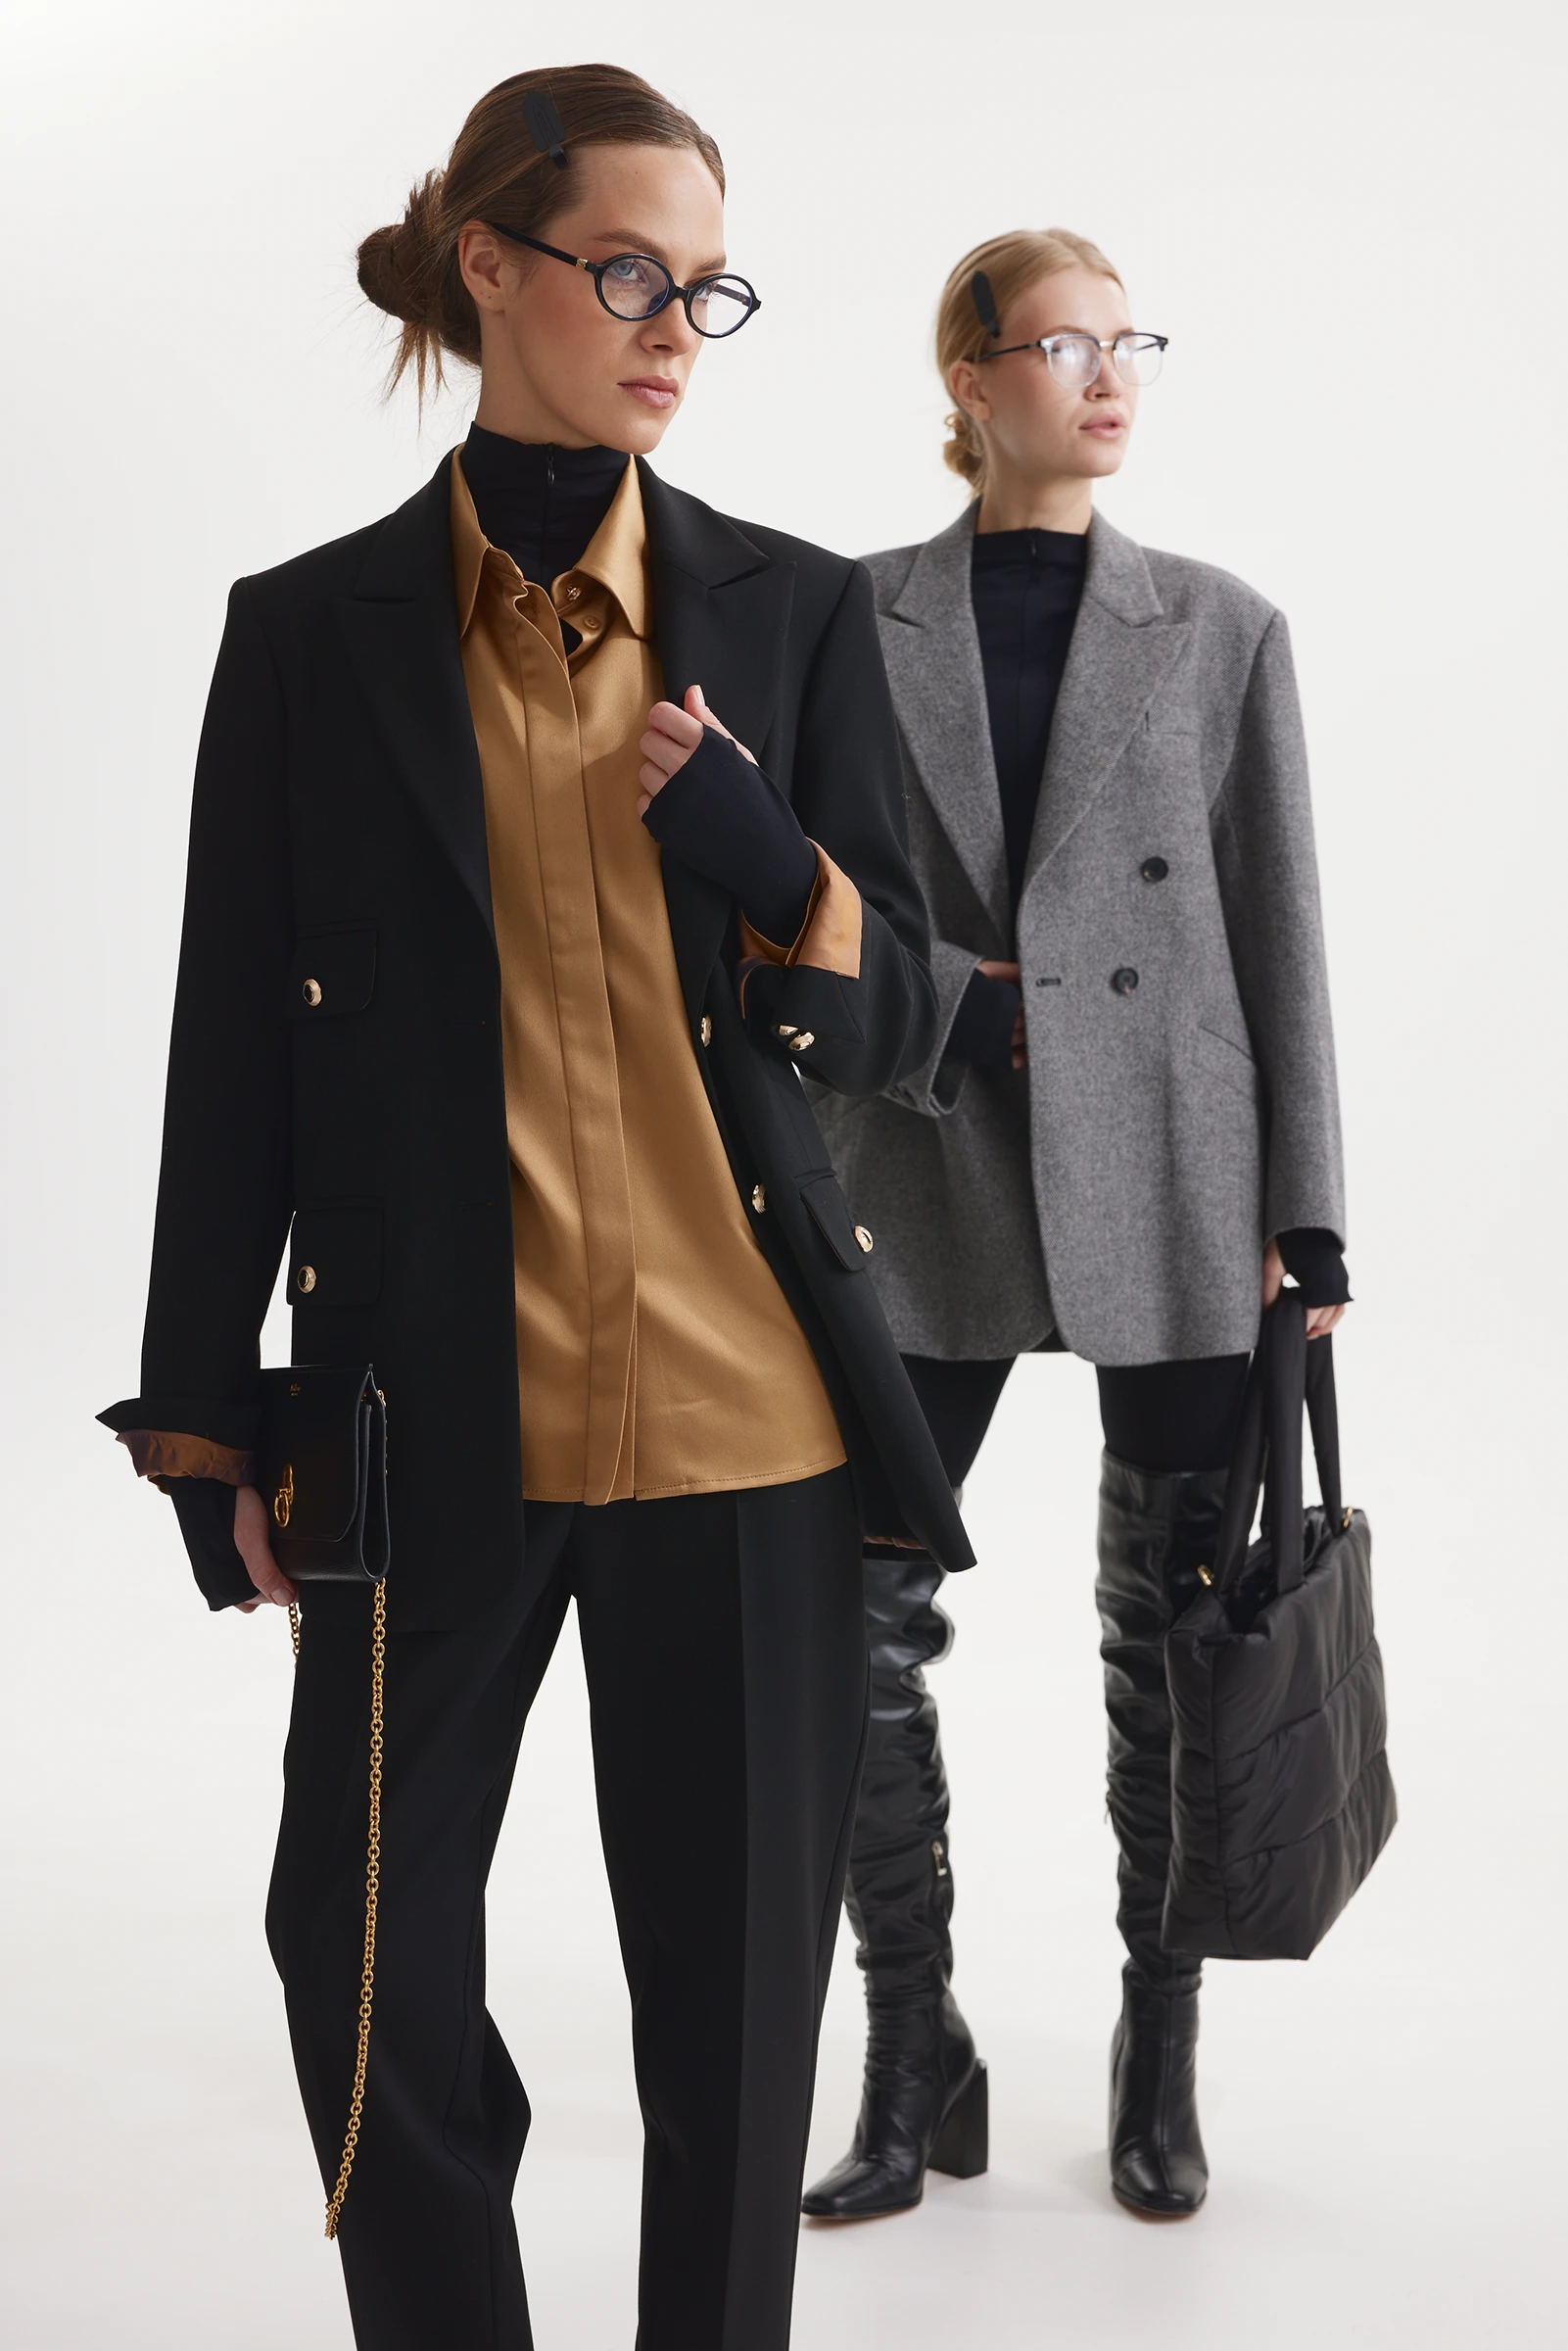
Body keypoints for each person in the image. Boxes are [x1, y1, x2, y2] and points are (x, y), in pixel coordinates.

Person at [98, 66, 971, 2351]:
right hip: (421, 1430)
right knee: (355, 1951)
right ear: (488, 267)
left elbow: (923, 1022)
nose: (676, 329)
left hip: (750, 1428)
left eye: (708, 289)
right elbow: (229, 1045)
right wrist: (201, 1417)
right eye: (629, 273)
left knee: (733, 2023)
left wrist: (782, 875)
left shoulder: (794, 612)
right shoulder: (309, 637)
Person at [802, 227, 1348, 2226]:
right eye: (1063, 343)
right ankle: (910, 2045)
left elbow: (1278, 927)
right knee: (843, 1618)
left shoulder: (1220, 626)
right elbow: (807, 908)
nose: (1109, 377)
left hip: (1176, 1168)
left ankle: (1157, 2042)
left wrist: (1311, 1220)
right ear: (968, 378)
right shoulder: (846, 617)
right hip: (917, 1153)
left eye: (1131, 343)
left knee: (1177, 1634)